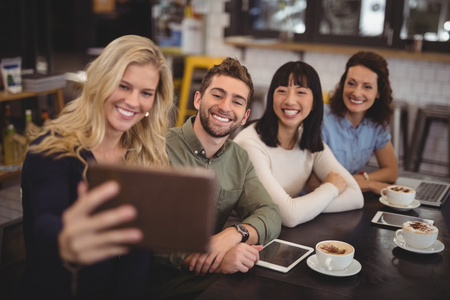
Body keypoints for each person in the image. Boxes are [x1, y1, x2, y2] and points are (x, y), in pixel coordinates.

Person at [20, 35, 174, 299]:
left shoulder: (146, 156)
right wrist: (67, 240)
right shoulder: (52, 149)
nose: (133, 102)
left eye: (146, 93)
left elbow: (138, 254)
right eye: (123, 86)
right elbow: (47, 222)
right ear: (101, 81)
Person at [149, 57, 282, 299]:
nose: (225, 107)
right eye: (218, 95)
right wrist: (215, 260)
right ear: (198, 99)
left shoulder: (240, 159)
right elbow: (148, 240)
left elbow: (270, 213)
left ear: (244, 116)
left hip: (215, 280)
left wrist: (234, 234)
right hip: (162, 285)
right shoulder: (158, 149)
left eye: (237, 101)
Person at [234, 61, 363, 228]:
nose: (290, 100)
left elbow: (356, 197)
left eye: (301, 92)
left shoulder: (309, 142)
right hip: (236, 232)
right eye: (281, 91)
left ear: (315, 102)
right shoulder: (250, 144)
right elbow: (290, 216)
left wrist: (302, 208)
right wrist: (330, 188)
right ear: (271, 97)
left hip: (273, 231)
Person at [321, 51, 398, 194]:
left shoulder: (375, 123)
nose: (356, 93)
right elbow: (317, 183)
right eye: (351, 83)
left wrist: (362, 178)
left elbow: (391, 171)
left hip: (346, 197)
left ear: (378, 93)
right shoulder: (322, 120)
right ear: (343, 84)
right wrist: (370, 184)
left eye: (367, 87)